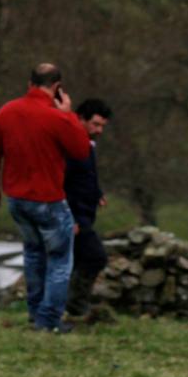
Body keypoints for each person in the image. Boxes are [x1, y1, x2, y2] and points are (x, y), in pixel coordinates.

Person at [0, 63, 91, 333]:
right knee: (59, 260)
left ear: (30, 84)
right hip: (48, 200)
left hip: (17, 199)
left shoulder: (7, 112)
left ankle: (34, 312)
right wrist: (69, 115)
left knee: (32, 255)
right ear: (57, 88)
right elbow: (81, 150)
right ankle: (49, 320)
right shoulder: (55, 117)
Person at [64, 98, 113, 320]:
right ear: (80, 119)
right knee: (95, 257)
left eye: (102, 126)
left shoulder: (86, 143)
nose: (99, 130)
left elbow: (84, 176)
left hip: (82, 213)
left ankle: (67, 307)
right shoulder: (71, 143)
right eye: (95, 124)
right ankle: (75, 306)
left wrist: (97, 193)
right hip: (74, 216)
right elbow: (64, 181)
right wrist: (69, 217)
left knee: (75, 261)